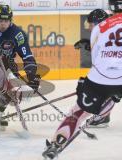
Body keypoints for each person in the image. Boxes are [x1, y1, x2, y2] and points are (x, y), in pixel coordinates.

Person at [42, 1, 122, 159]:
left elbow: (97, 61)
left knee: (77, 113)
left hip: (100, 79)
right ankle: (105, 110)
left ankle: (57, 144)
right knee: (112, 94)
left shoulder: (101, 26)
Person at [0, 4, 40, 92]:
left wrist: (32, 75)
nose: (3, 24)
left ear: (10, 21)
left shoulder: (18, 34)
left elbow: (27, 56)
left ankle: (1, 103)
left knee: (13, 90)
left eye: (6, 21)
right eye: (1, 20)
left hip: (7, 65)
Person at [74, 9, 115, 128]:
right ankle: (103, 115)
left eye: (91, 24)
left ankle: (102, 116)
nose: (89, 28)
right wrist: (88, 44)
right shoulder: (107, 32)